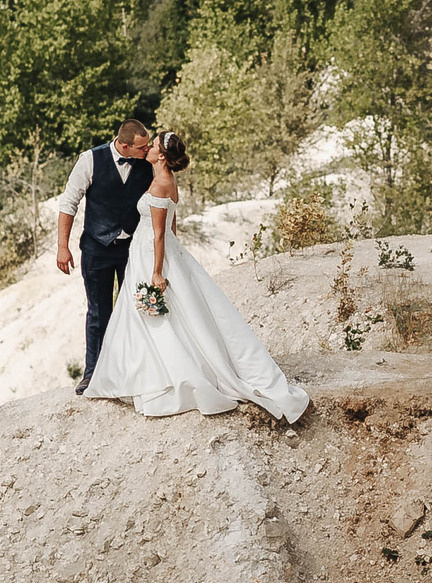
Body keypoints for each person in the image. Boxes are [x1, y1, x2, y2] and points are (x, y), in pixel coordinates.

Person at [82, 130, 310, 422]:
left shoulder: (160, 185)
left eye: (152, 146)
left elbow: (160, 233)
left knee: (155, 317)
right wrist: (173, 259)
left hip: (150, 255)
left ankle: (161, 375)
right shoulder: (166, 181)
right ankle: (139, 372)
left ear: (161, 156)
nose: (148, 148)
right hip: (152, 252)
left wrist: (156, 271)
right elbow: (171, 228)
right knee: (159, 315)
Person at [55, 118, 156, 389]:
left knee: (136, 308)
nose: (146, 150)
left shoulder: (149, 164)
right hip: (96, 248)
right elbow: (69, 202)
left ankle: (135, 370)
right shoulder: (90, 160)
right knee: (99, 312)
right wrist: (62, 246)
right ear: (124, 146)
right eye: (141, 147)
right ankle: (93, 374)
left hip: (133, 249)